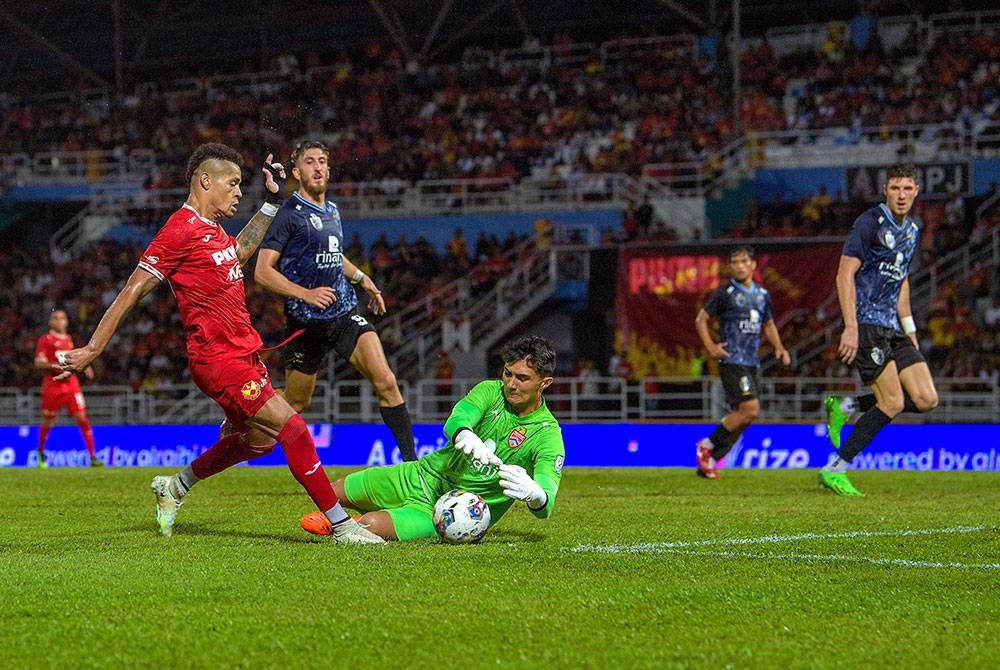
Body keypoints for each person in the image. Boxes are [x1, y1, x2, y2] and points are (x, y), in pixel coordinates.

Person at [56, 142, 383, 544]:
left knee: (259, 442)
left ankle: (174, 487)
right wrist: (93, 347)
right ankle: (342, 526)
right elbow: (133, 289)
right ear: (204, 181)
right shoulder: (179, 229)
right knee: (294, 430)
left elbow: (240, 253)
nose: (238, 192)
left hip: (243, 352)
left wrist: (270, 203)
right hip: (218, 359)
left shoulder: (213, 232)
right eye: (233, 184)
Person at [299, 335, 565, 542]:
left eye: (522, 378)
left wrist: (535, 495)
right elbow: (458, 418)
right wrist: (464, 433)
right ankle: (342, 517)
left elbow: (546, 504)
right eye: (508, 373)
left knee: (369, 526)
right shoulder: (490, 390)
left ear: (545, 383)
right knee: (330, 492)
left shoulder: (547, 435)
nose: (511, 384)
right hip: (420, 475)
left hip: (449, 513)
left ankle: (349, 522)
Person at [254, 140, 417, 462]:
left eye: (323, 161)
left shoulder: (332, 210)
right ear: (297, 172)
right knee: (297, 403)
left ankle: (413, 465)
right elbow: (261, 272)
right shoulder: (290, 214)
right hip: (305, 325)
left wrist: (362, 279)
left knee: (386, 381)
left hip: (343, 315)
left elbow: (332, 254)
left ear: (329, 168)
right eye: (310, 162)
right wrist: (305, 293)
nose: (318, 167)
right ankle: (242, 420)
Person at [820, 163, 938, 496]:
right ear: (886, 190)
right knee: (892, 401)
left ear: (916, 192)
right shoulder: (869, 223)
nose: (901, 195)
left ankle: (845, 407)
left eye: (907, 189)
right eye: (895, 188)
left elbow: (900, 281)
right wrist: (851, 326)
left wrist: (910, 328)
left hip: (894, 327)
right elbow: (844, 275)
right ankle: (835, 467)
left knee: (927, 398)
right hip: (868, 324)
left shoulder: (912, 231)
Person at [694, 245, 790, 479]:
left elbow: (768, 324)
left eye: (743, 261)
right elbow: (701, 319)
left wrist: (779, 347)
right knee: (750, 409)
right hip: (732, 359)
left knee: (745, 416)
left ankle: (712, 461)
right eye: (734, 262)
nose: (738, 266)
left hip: (751, 362)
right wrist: (711, 347)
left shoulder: (762, 295)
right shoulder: (725, 293)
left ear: (753, 265)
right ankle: (706, 445)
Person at [34, 309, 101, 468]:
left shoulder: (69, 340)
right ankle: (41, 450)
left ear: (66, 321)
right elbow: (38, 362)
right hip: (53, 384)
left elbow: (73, 359)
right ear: (50, 322)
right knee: (49, 421)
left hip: (71, 385)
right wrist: (56, 365)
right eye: (55, 318)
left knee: (82, 418)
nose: (59, 321)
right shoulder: (46, 339)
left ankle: (92, 456)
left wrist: (84, 367)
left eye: (62, 318)